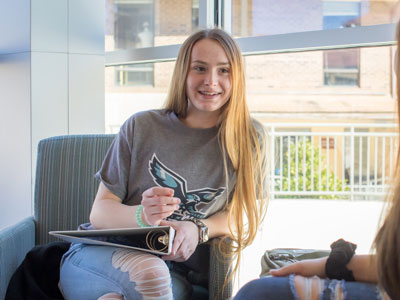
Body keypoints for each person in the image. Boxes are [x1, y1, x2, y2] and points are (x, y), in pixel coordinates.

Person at [58, 28, 267, 300]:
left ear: (236, 75)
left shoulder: (249, 137)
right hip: (97, 255)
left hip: (173, 275)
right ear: (183, 73)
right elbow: (99, 213)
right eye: (200, 68)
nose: (211, 81)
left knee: (141, 284)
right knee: (148, 275)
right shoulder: (141, 126)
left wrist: (198, 228)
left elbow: (245, 215)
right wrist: (142, 216)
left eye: (224, 70)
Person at [233, 24, 400, 300]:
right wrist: (330, 265)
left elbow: (237, 218)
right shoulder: (141, 127)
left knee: (259, 293)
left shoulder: (251, 135)